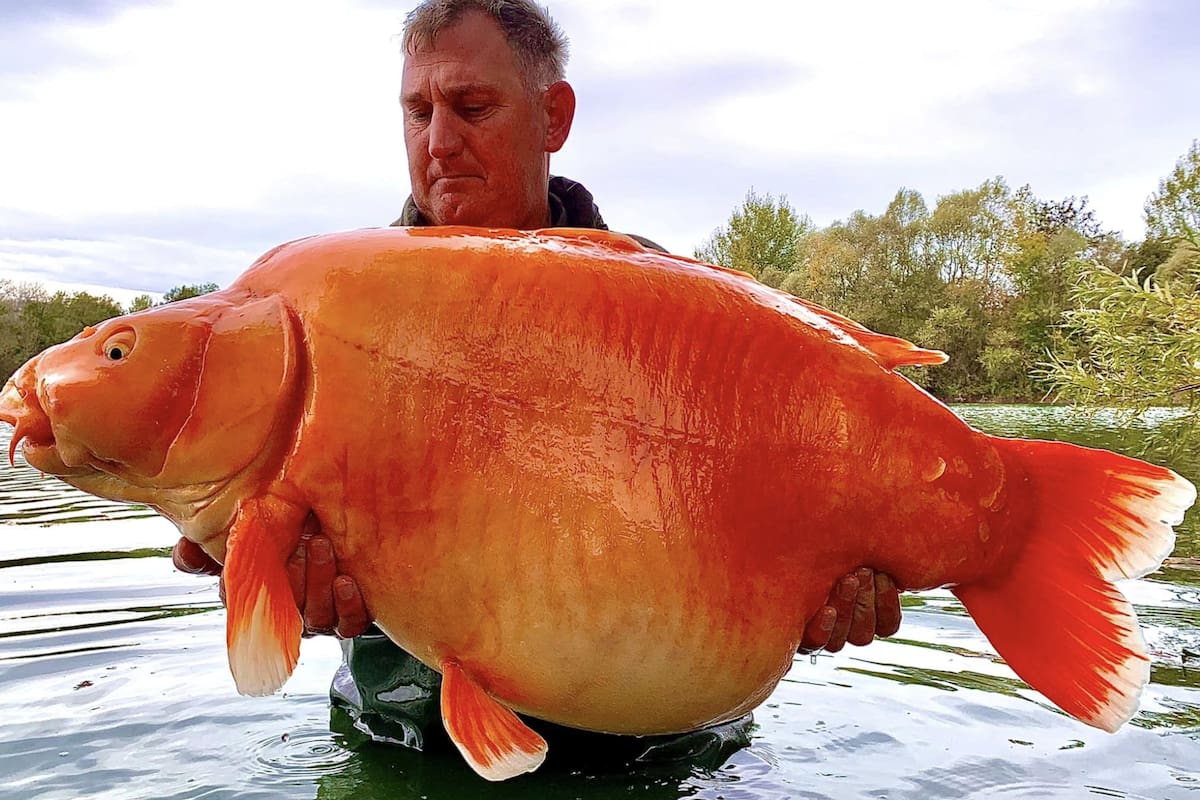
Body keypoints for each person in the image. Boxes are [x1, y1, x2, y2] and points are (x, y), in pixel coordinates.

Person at [173, 0, 903, 765]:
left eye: (472, 106)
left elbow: (778, 526)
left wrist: (822, 596)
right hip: (402, 740)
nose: (441, 142)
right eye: (417, 112)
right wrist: (261, 565)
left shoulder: (681, 314)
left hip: (655, 755)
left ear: (553, 117)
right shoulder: (326, 313)